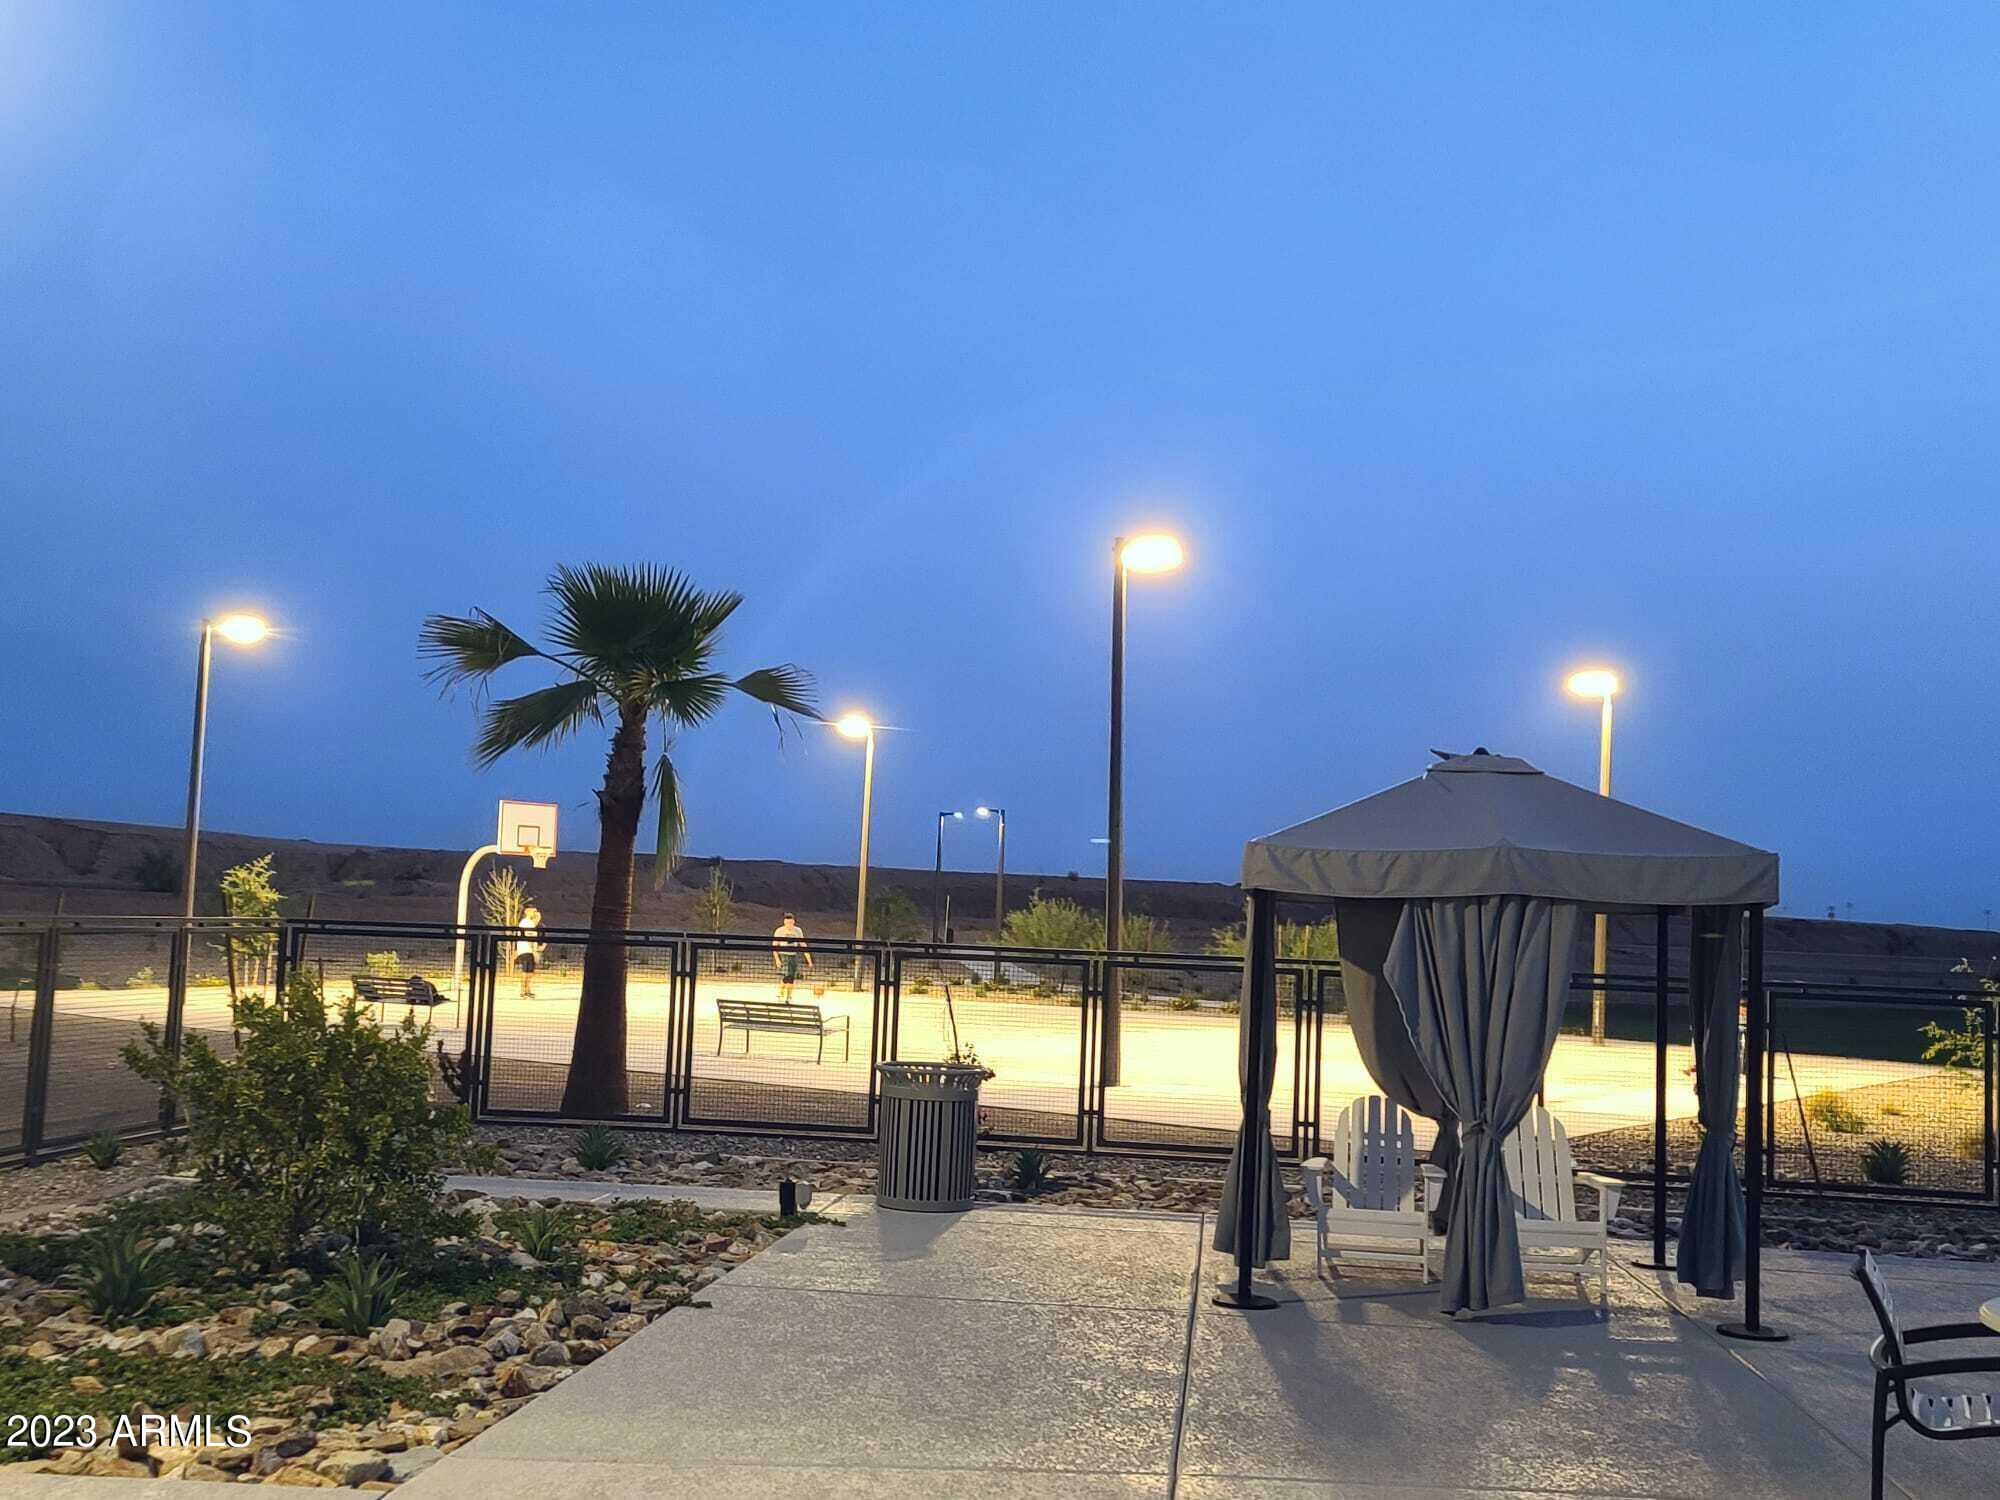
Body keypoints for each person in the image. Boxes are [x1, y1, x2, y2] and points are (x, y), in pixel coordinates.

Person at [772, 912, 811, 999]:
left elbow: (803, 944)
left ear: (793, 922)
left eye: (790, 923)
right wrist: (777, 959)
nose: (789, 925)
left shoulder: (798, 930)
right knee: (787, 974)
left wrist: (809, 960)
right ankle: (783, 992)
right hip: (784, 955)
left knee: (791, 976)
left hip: (793, 955)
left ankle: (787, 994)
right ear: (784, 922)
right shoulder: (779, 931)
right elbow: (774, 946)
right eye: (787, 923)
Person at [515, 905, 544, 998]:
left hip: (527, 949)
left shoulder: (529, 923)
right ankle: (524, 990)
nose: (535, 913)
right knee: (526, 970)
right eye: (534, 911)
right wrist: (534, 951)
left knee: (529, 971)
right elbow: (529, 937)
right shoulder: (526, 923)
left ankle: (527, 989)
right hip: (526, 949)